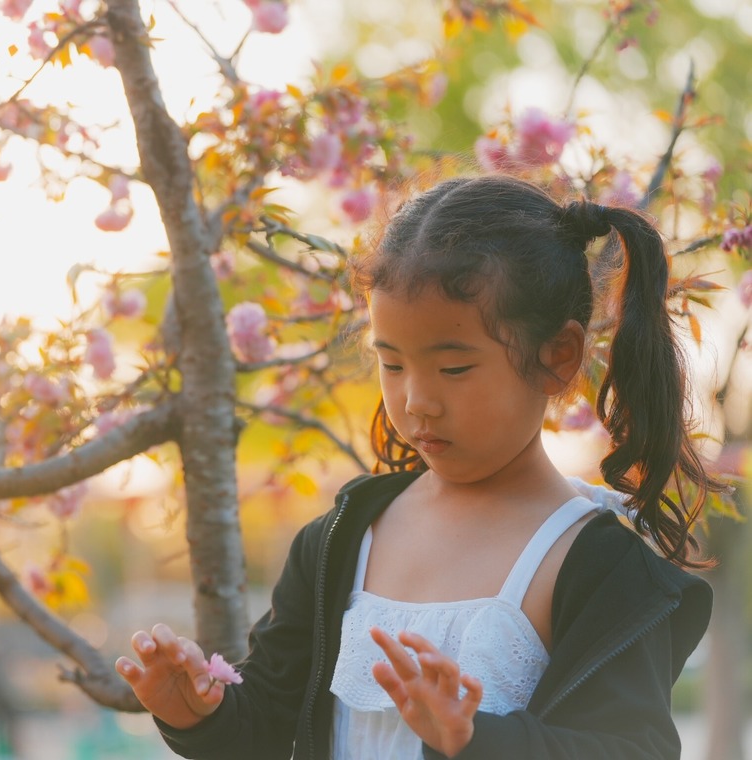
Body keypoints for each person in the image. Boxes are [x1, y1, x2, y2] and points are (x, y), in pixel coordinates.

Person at [115, 174, 728, 759]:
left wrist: (474, 742)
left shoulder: (597, 564)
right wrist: (200, 715)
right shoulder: (343, 539)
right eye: (392, 364)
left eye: (454, 368)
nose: (417, 401)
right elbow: (270, 722)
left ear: (559, 356)